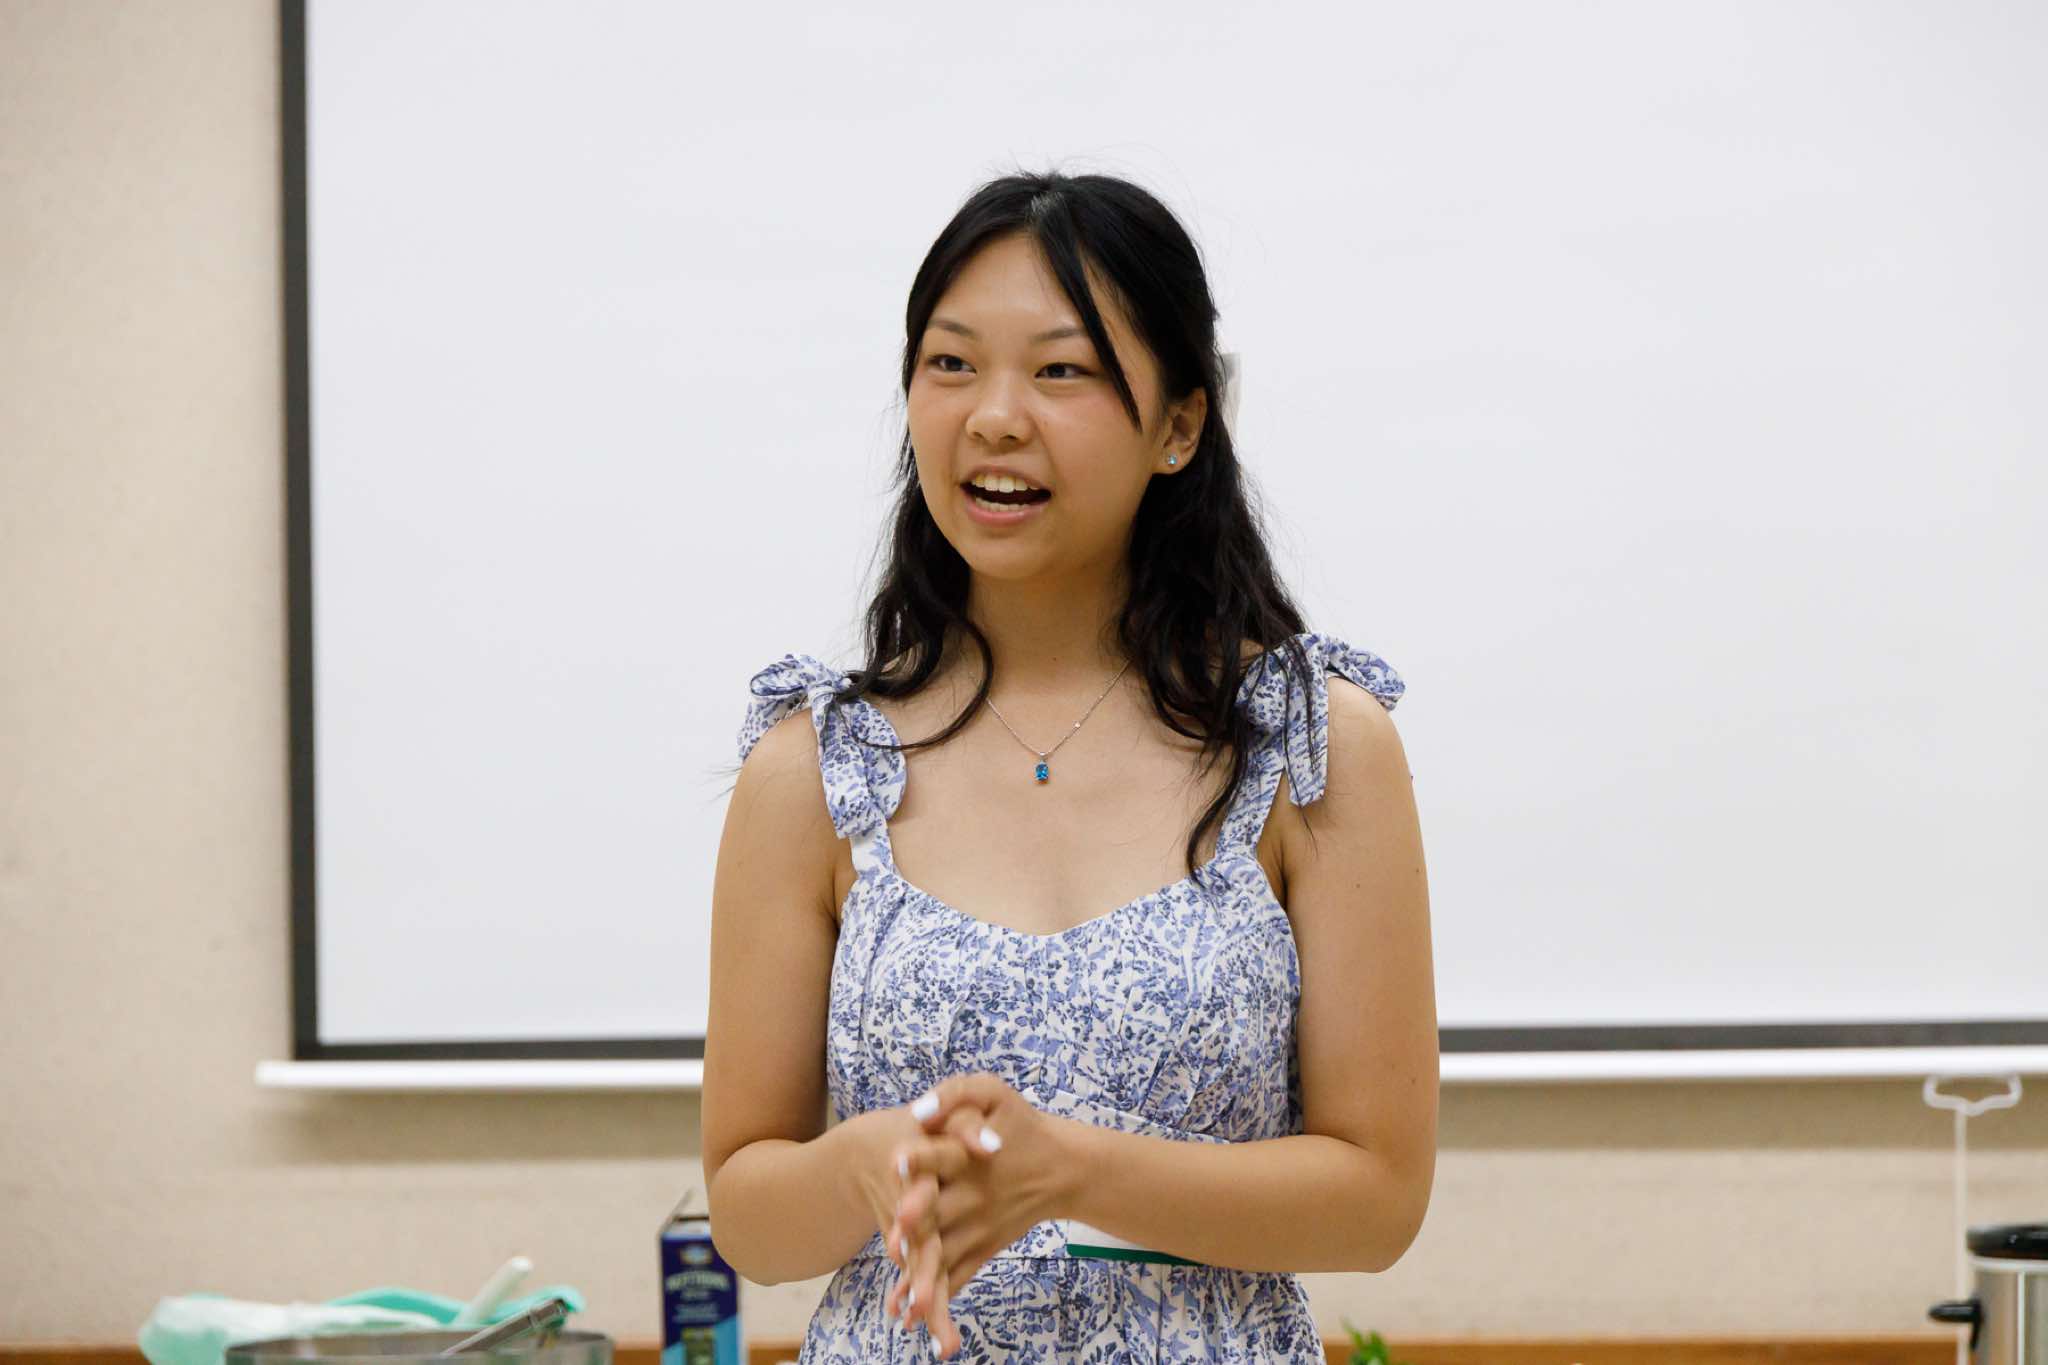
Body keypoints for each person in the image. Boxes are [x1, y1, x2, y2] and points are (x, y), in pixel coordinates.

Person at [700, 168, 1437, 1363]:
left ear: (1179, 426)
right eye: (950, 364)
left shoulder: (1309, 746)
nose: (994, 417)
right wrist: (866, 1166)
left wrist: (1068, 1173)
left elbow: (1376, 1199)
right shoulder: (813, 768)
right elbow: (746, 1214)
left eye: (1061, 371)